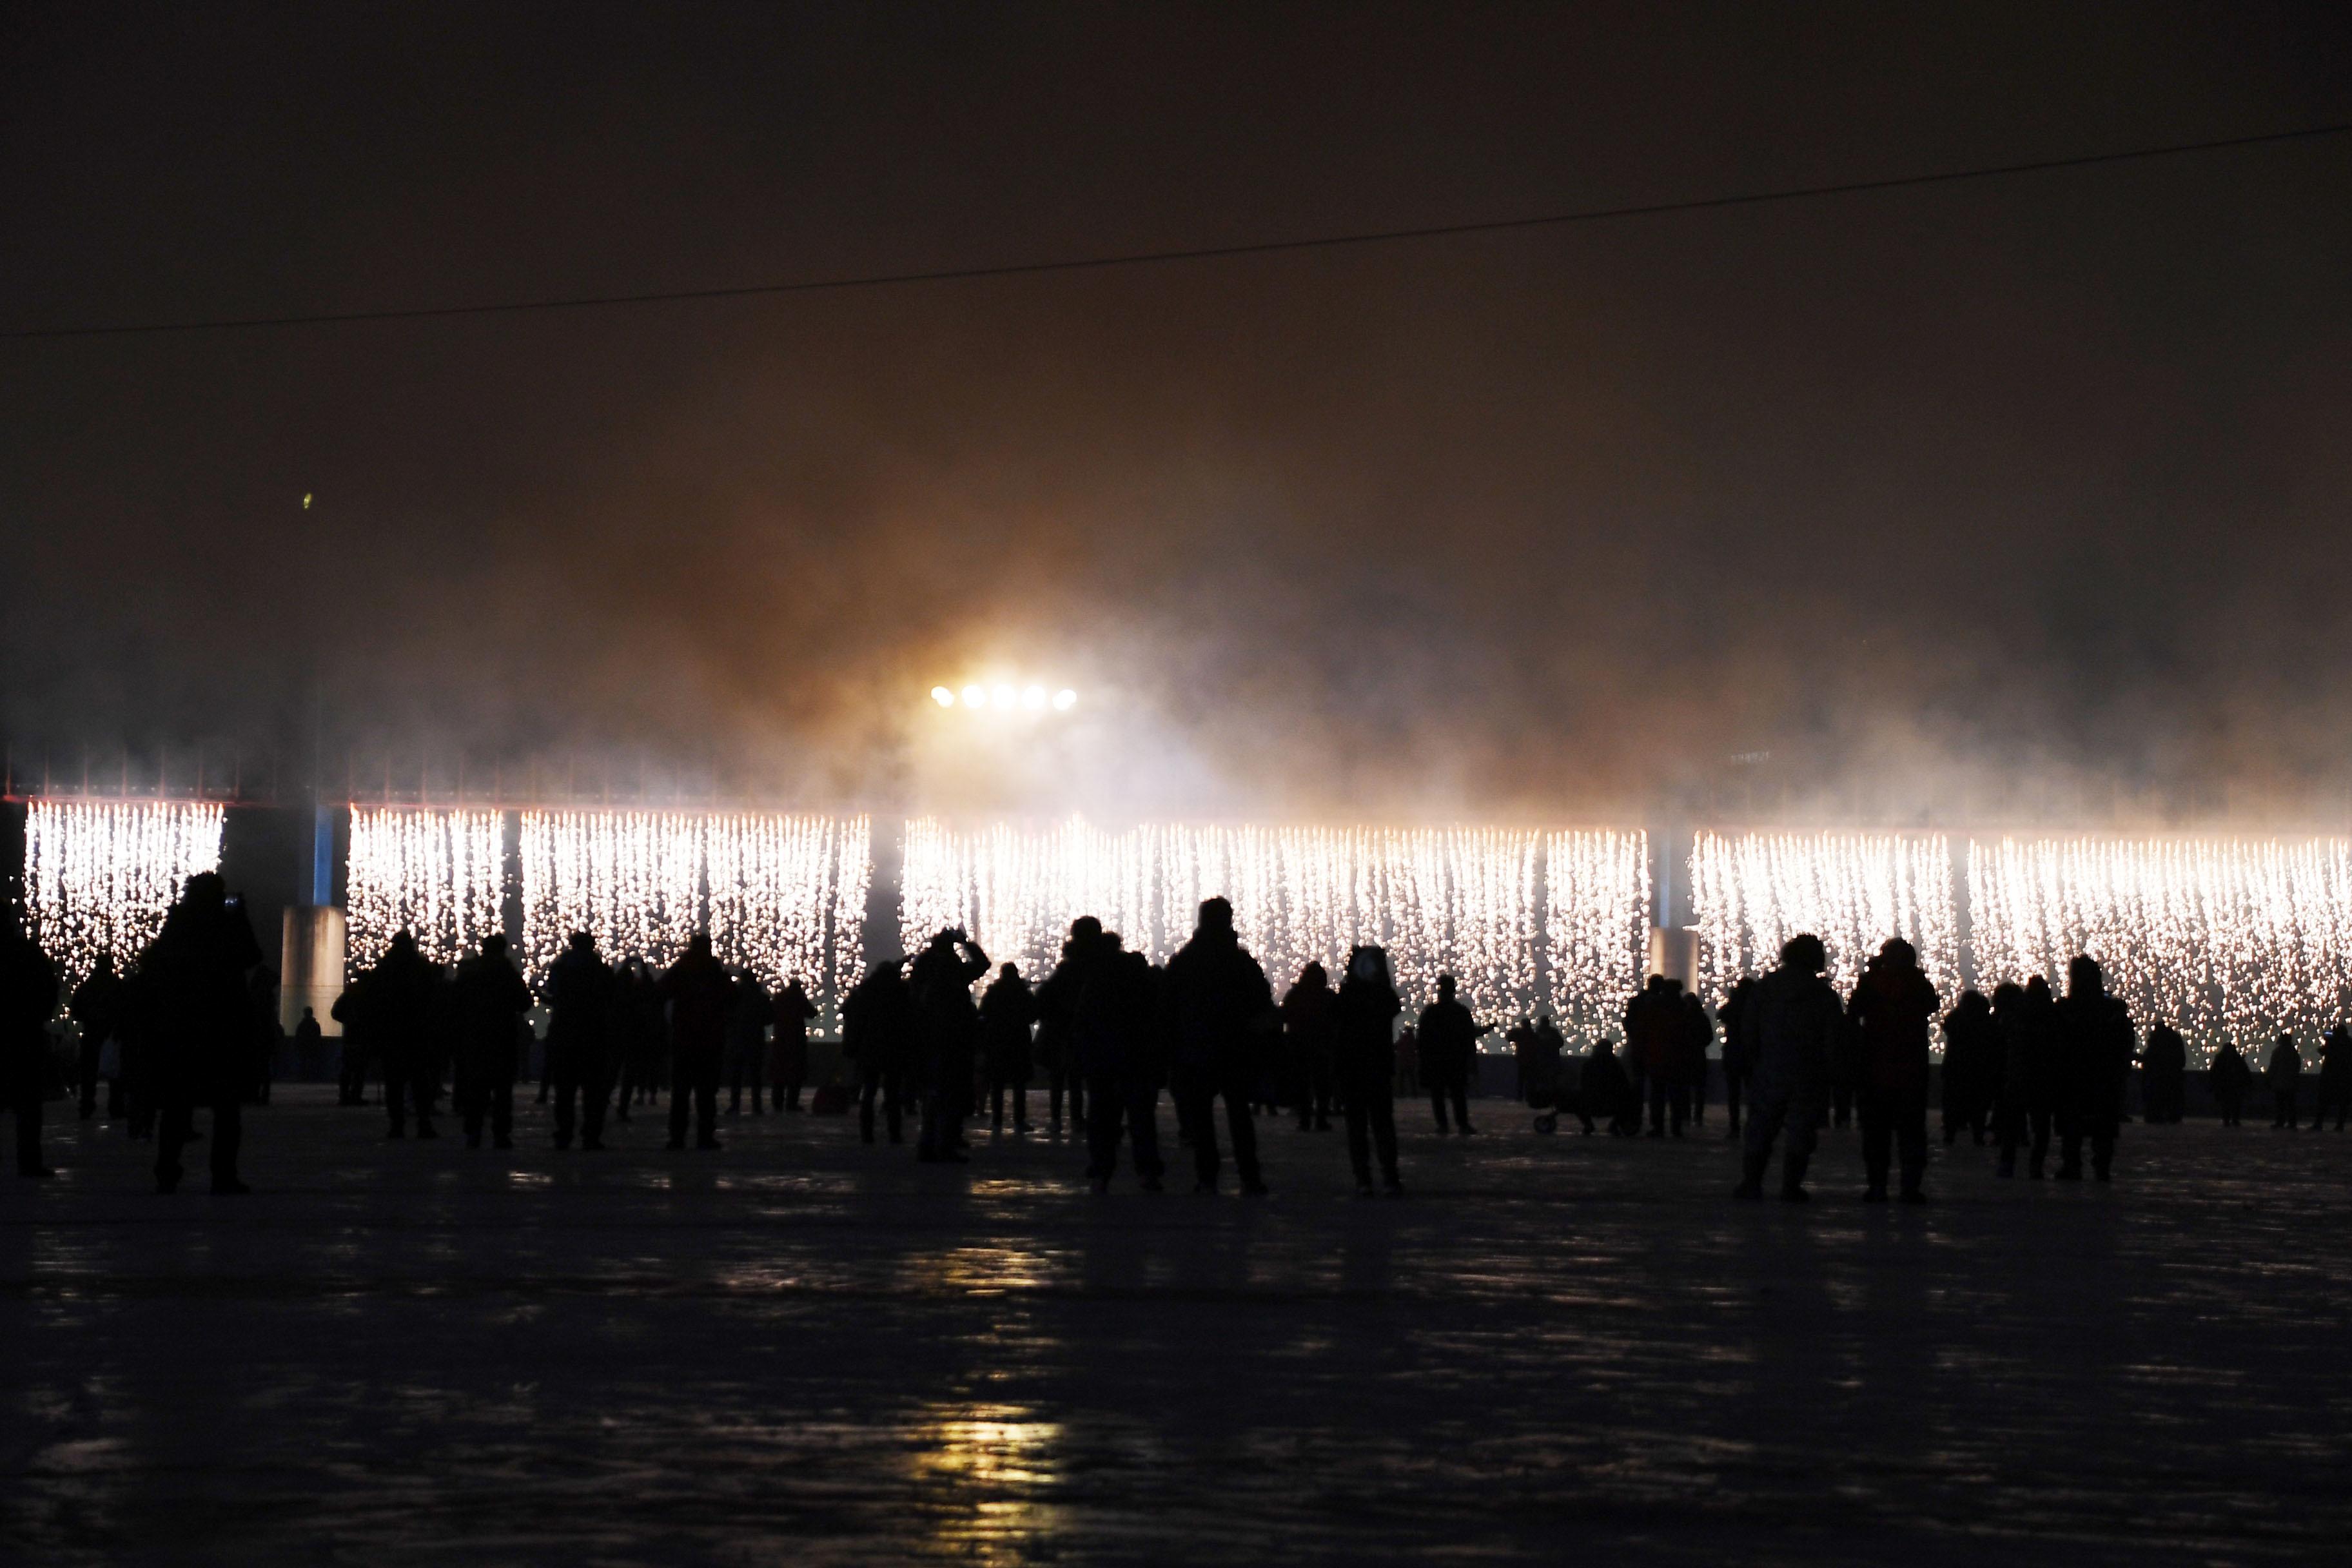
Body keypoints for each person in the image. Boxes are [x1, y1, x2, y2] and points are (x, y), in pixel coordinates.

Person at [146, 873, 264, 1194]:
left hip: (183, 1028)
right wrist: (241, 919)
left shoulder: (178, 924)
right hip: (222, 1028)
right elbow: (253, 956)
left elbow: (156, 969)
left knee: (177, 1106)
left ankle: (167, 1170)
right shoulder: (226, 924)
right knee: (226, 1109)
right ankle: (223, 1175)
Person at [1163, 897, 1275, 1195]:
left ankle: (1207, 1176)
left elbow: (1168, 1005)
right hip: (1236, 1048)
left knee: (1201, 1118)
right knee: (1240, 1115)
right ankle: (1249, 1176)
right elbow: (1262, 1003)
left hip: (1197, 1048)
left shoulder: (1186, 961)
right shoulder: (1240, 962)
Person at [1734, 934, 1843, 1201]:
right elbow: (1833, 1036)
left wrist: (1752, 1060)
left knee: (1761, 1128)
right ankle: (1791, 1186)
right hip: (1808, 1071)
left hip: (1769, 1067)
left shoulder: (1766, 988)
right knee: (1802, 1130)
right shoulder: (1822, 994)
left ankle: (1752, 1182)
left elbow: (1749, 1029)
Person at [1847, 937, 1940, 1202]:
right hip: (1911, 1068)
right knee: (1911, 1133)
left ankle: (1877, 1186)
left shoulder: (1873, 982)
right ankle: (1910, 1187)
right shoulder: (1917, 983)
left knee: (1876, 1134)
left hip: (1875, 1066)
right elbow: (1932, 1005)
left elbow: (1854, 1010)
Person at [1077, 934, 1165, 1192]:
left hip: (1104, 1060)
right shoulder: (1142, 979)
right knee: (1142, 1119)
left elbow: (1085, 1020)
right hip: (1138, 1058)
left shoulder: (1097, 981)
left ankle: (1101, 1172)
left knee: (1102, 1120)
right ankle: (1148, 1172)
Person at [908, 928, 990, 1162]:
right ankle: (945, 1145)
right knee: (951, 1095)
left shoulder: (924, 970)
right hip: (953, 1041)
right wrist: (965, 943)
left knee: (932, 1096)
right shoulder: (952, 972)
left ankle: (928, 1144)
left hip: (929, 1040)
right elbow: (983, 964)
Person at [449, 934, 533, 1150]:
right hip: (503, 1037)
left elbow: (455, 1003)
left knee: (476, 1088)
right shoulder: (508, 974)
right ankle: (501, 1134)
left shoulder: (469, 974)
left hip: (475, 1037)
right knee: (503, 1090)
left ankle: (473, 1132)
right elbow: (524, 1004)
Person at [2053, 955, 2134, 1181]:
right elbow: (2124, 1042)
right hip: (2105, 1076)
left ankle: (2073, 1165)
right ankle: (2102, 1166)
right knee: (2104, 1124)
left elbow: (2057, 1043)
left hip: (2074, 1075)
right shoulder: (2113, 1012)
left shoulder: (2066, 1010)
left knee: (2072, 1123)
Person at [1333, 945, 1405, 1195]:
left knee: (1357, 1127)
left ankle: (1364, 1178)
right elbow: (1393, 1006)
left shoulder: (1348, 996)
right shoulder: (1382, 996)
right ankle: (1389, 1177)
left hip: (1353, 1069)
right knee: (1382, 1124)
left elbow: (1339, 1034)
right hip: (1378, 1068)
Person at [658, 934, 735, 1150]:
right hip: (710, 1042)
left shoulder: (681, 969)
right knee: (706, 1094)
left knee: (681, 1094)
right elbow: (731, 1000)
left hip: (684, 1040)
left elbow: (661, 991)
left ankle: (677, 1137)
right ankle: (705, 1136)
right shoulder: (714, 971)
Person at [368, 931, 446, 1139]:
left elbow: (375, 1001)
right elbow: (433, 998)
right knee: (420, 1081)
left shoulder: (385, 969)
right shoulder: (421, 967)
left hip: (392, 1033)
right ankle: (423, 1123)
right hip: (417, 1033)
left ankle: (397, 1125)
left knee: (394, 1083)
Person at [544, 931, 617, 1150]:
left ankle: (564, 1134)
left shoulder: (560, 967)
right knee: (594, 1091)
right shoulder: (599, 969)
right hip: (593, 1034)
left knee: (565, 1090)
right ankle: (591, 1135)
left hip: (564, 1033)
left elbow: (553, 992)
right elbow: (610, 996)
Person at [1032, 919, 1104, 1136]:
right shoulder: (1101, 966)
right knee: (1086, 1079)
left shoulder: (1066, 970)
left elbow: (1044, 998)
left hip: (1061, 1032)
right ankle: (1084, 1118)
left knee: (1060, 1078)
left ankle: (1058, 1119)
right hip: (1092, 1031)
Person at [1, 923, 61, 1177]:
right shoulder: (27, 953)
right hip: (25, 1032)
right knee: (28, 1103)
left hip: (17, 1030)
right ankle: (29, 1161)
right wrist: (39, 1015)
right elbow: (49, 987)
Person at [1993, 977, 2060, 1178]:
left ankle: (2007, 1163)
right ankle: (2036, 1165)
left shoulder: (2017, 1016)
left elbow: (2004, 1037)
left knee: (2012, 1123)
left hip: (2019, 1075)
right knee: (2041, 1125)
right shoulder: (2052, 1016)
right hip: (2043, 1077)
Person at [843, 959, 914, 1145]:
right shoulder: (901, 991)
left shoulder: (865, 991)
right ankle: (894, 1133)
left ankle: (867, 1134)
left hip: (870, 1049)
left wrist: (852, 1045)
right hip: (894, 1049)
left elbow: (852, 1017)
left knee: (869, 1092)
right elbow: (911, 1019)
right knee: (893, 1094)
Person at [1417, 974, 1487, 1135]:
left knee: (1439, 1095)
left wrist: (1424, 1060)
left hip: (1437, 1060)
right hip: (1456, 1060)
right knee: (1458, 1094)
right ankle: (1462, 1124)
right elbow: (1470, 1036)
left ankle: (1444, 1125)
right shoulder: (1461, 1012)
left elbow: (1422, 1039)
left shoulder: (1431, 1012)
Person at [1625, 975, 1688, 1137]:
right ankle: (1676, 1127)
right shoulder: (1683, 1009)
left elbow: (1639, 1028)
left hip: (1655, 1056)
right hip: (1676, 1058)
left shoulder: (1652, 1007)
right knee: (1675, 1095)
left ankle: (1656, 1126)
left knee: (1656, 1093)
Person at [979, 962, 1036, 1133]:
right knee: (1019, 1084)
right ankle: (1019, 1121)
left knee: (997, 1084)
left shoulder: (993, 992)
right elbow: (1033, 1014)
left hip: (997, 1040)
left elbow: (983, 1012)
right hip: (1019, 1040)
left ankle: (997, 1121)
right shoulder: (1022, 992)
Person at [1281, 962, 1337, 1132]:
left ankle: (1305, 1119)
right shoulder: (1328, 997)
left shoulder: (1295, 994)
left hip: (1299, 1045)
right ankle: (1320, 1119)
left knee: (1303, 1084)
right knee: (1322, 1085)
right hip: (1322, 1046)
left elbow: (1285, 1016)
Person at [67, 952, 122, 1121]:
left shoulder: (87, 987)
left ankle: (86, 1106)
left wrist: (90, 1017)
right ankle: (116, 1106)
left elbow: (75, 1009)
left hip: (91, 1033)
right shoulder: (117, 986)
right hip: (112, 1034)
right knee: (115, 1072)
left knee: (88, 1073)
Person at [1939, 990, 1997, 1145]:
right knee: (1978, 1104)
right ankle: (1977, 1135)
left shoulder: (1956, 1019)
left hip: (1955, 1067)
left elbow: (1947, 1025)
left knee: (1952, 1102)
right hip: (1978, 1068)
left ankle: (1950, 1133)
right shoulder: (1984, 1021)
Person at [723, 968, 773, 1115]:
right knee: (755, 1075)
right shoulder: (761, 998)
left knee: (736, 1074)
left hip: (737, 1039)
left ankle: (735, 1105)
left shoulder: (734, 997)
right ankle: (756, 1106)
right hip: (755, 1039)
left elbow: (726, 1015)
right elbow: (770, 1018)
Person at [770, 978, 818, 1112]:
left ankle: (777, 1102)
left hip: (781, 1038)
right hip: (797, 1039)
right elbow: (812, 1013)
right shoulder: (799, 998)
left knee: (780, 1072)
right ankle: (792, 1103)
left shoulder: (780, 997)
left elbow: (771, 1015)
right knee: (796, 1073)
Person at [1717, 977, 1756, 1137]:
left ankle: (1735, 1126)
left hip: (1734, 1053)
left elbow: (1721, 1015)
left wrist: (1733, 999)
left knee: (1734, 1093)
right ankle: (1753, 1124)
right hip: (1751, 1053)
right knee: (1753, 1092)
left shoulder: (1735, 1006)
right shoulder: (1756, 1005)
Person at [2140, 1021, 2190, 1125]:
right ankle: (2173, 1116)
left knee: (2158, 1095)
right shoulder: (2173, 1038)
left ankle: (2157, 1116)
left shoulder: (2157, 1040)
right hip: (2172, 1072)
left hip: (2160, 1073)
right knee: (2172, 1096)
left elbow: (2152, 1056)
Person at [1681, 992, 1714, 1128]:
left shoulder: (1683, 1018)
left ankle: (1686, 1115)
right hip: (1699, 1056)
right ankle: (1697, 1116)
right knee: (1699, 1088)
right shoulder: (1702, 1018)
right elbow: (1709, 1037)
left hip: (1686, 1056)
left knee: (1686, 1088)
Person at [2314, 1023, 2352, 1132]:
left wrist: (2328, 1041)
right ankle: (2340, 1125)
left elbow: (2321, 1051)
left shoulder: (2333, 1042)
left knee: (2324, 1101)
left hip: (2330, 1076)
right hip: (2345, 1078)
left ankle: (2319, 1123)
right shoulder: (2349, 1042)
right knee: (2343, 1104)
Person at [2210, 1039, 2252, 1126]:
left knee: (2226, 1104)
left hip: (2224, 1086)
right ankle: (2234, 1120)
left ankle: (2227, 1120)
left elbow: (2214, 1072)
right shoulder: (2237, 1059)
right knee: (2235, 1104)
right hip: (2235, 1086)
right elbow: (2245, 1072)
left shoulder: (2220, 1059)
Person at [2267, 1034, 2303, 1130]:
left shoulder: (2278, 1052)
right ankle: (2292, 1123)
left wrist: (2269, 1077)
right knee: (2290, 1104)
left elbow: (2273, 1066)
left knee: (2280, 1104)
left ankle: (2281, 1122)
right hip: (2290, 1082)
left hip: (2280, 1082)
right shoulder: (2293, 1052)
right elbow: (2297, 1066)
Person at [291, 1005, 324, 1084]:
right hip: (313, 1047)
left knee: (304, 1063)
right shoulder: (316, 1025)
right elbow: (318, 1036)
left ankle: (304, 1077)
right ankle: (312, 1077)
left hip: (303, 1047)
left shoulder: (301, 1025)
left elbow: (298, 1036)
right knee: (312, 1063)